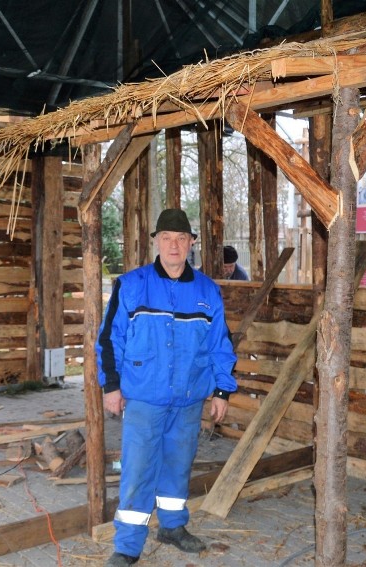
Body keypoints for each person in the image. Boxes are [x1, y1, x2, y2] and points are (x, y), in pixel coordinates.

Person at [97, 208, 238, 566]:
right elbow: (109, 340)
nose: (173, 245)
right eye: (166, 238)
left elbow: (221, 343)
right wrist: (111, 386)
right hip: (145, 398)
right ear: (155, 242)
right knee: (138, 470)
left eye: (180, 239)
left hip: (190, 398)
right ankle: (127, 546)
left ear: (191, 243)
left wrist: (222, 390)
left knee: (178, 464)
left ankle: (173, 526)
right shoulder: (131, 285)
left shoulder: (208, 291)